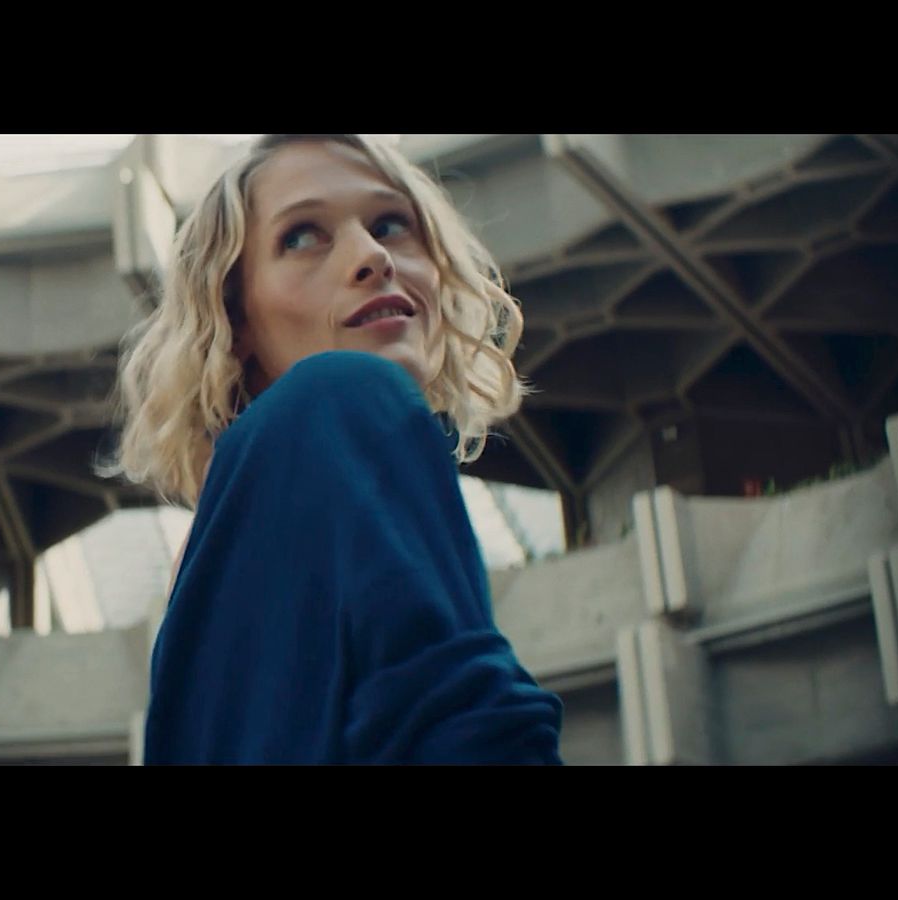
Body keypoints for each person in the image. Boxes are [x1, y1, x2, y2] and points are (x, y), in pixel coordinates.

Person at [110, 134, 563, 764]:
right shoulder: (342, 392)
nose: (372, 256)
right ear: (236, 318)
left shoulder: (214, 556)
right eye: (302, 237)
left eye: (390, 224)